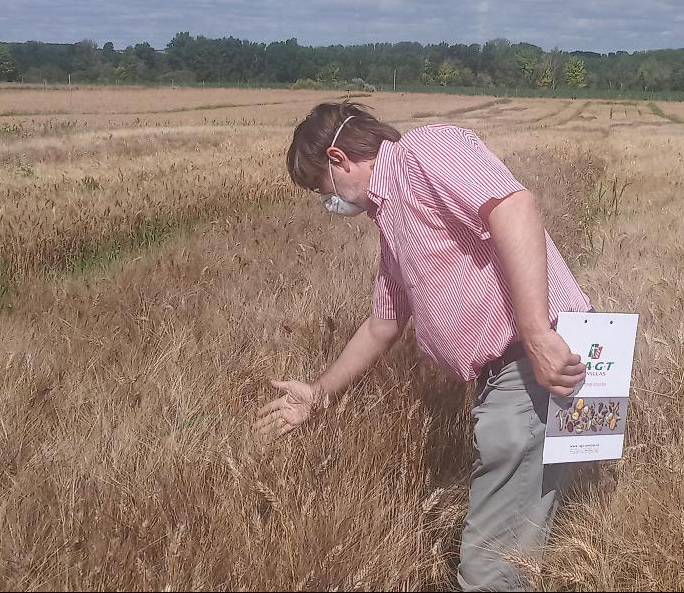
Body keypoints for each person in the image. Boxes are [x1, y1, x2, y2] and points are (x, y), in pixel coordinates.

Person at [254, 102, 593, 591]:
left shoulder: (425, 151)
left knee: (490, 569)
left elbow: (514, 206)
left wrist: (537, 332)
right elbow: (382, 325)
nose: (327, 201)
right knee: (514, 543)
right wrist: (319, 393)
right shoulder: (391, 218)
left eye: (320, 187)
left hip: (533, 364)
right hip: (509, 374)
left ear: (339, 158)